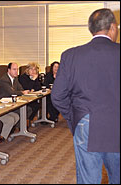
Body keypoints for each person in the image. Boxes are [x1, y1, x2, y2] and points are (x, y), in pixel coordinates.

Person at [51, 8, 120, 184]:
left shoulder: (71, 55)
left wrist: (76, 117)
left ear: (91, 29)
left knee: (88, 179)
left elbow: (58, 95)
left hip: (86, 122)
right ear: (113, 27)